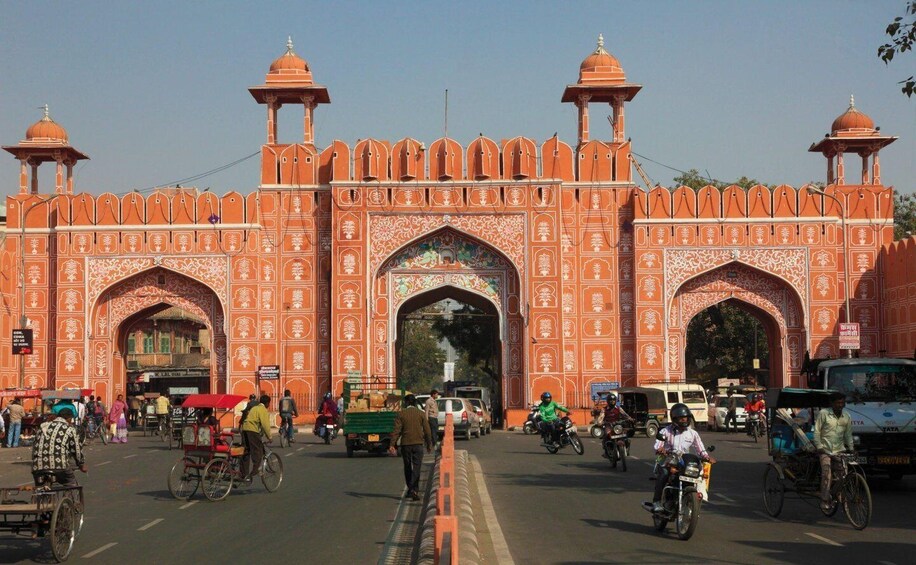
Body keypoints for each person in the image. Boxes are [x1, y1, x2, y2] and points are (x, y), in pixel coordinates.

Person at [650, 403, 715, 513]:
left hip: (683, 461)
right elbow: (658, 445)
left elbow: (700, 449)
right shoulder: (665, 431)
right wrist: (661, 449)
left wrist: (706, 457)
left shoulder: (693, 433)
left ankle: (696, 497)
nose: (684, 420)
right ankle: (656, 501)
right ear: (675, 419)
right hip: (666, 460)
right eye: (681, 418)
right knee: (664, 474)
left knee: (698, 473)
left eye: (686, 418)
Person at [812, 393, 854, 511]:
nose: (840, 405)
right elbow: (817, 432)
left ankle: (837, 493)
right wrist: (819, 447)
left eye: (842, 403)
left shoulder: (847, 416)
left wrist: (851, 448)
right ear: (832, 403)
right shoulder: (824, 413)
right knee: (827, 474)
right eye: (838, 403)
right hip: (825, 450)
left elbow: (848, 434)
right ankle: (825, 499)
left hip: (839, 450)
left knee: (843, 475)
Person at [388, 394, 433, 501]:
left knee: (407, 467)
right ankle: (414, 489)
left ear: (406, 402)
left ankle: (411, 488)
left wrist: (392, 444)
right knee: (417, 467)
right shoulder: (421, 413)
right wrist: (429, 444)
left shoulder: (401, 414)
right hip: (418, 444)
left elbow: (396, 431)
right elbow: (427, 431)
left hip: (406, 445)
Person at [31, 408, 86, 488]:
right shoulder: (69, 429)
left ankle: (40, 493)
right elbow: (76, 449)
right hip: (59, 465)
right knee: (70, 482)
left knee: (40, 488)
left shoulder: (42, 427)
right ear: (69, 418)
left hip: (37, 466)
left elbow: (34, 447)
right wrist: (81, 464)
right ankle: (70, 494)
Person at [240, 394, 272, 482]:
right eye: (269, 403)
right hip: (252, 430)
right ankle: (255, 470)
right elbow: (265, 425)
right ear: (267, 403)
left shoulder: (254, 408)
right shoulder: (263, 410)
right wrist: (269, 437)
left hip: (245, 429)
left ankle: (244, 474)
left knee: (246, 451)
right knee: (257, 451)